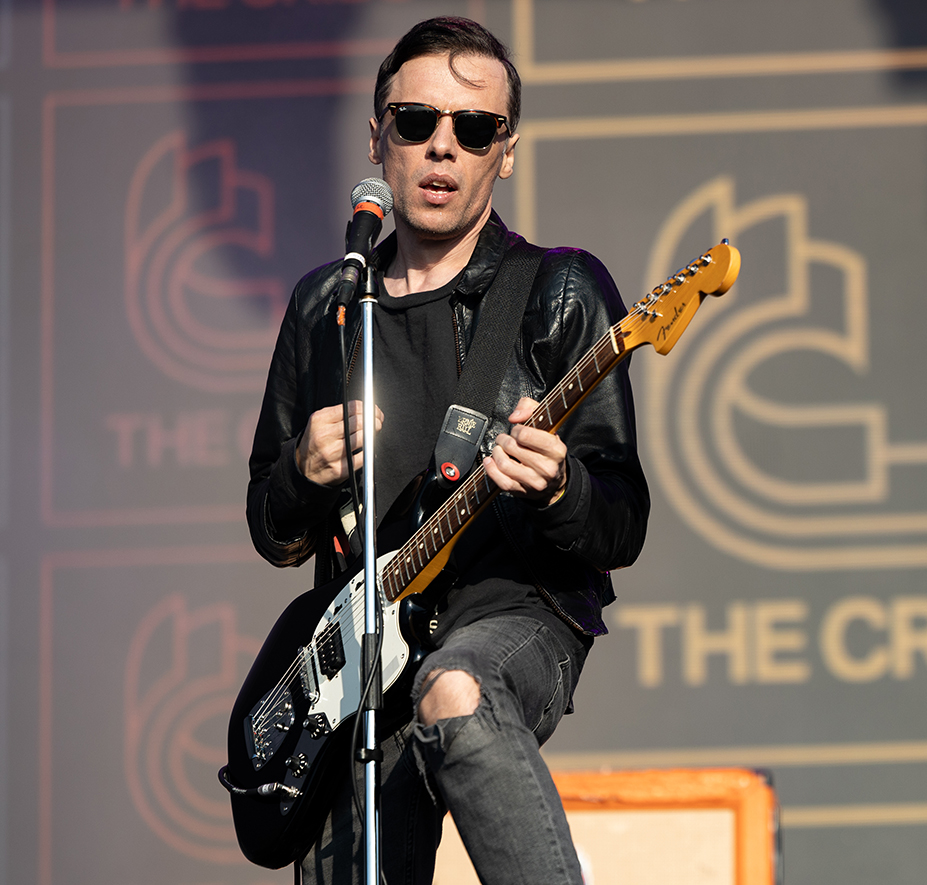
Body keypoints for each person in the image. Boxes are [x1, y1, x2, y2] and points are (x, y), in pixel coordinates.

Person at [245, 17, 649, 885]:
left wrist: (559, 488)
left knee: (455, 689)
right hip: (363, 646)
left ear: (504, 153)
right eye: (417, 121)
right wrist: (299, 475)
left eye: (473, 129)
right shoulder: (326, 306)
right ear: (377, 136)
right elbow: (270, 527)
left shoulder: (559, 290)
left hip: (513, 615)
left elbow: (620, 523)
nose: (443, 147)